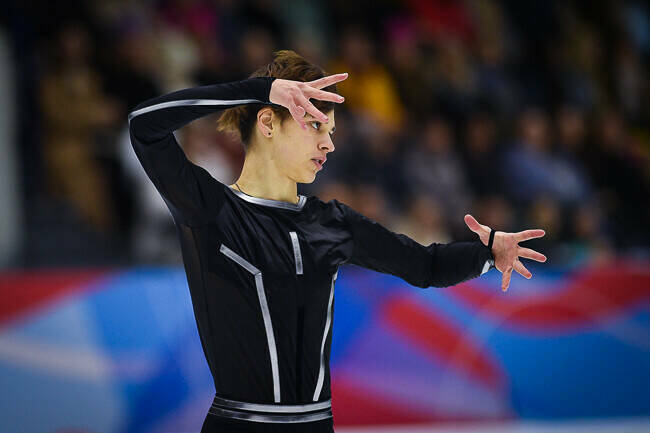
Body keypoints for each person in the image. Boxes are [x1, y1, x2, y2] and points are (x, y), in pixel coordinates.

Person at [128, 50, 546, 433]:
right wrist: (257, 90)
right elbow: (144, 127)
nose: (328, 143)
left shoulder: (332, 222)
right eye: (314, 125)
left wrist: (489, 253)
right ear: (269, 122)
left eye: (330, 130)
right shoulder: (210, 208)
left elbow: (426, 266)